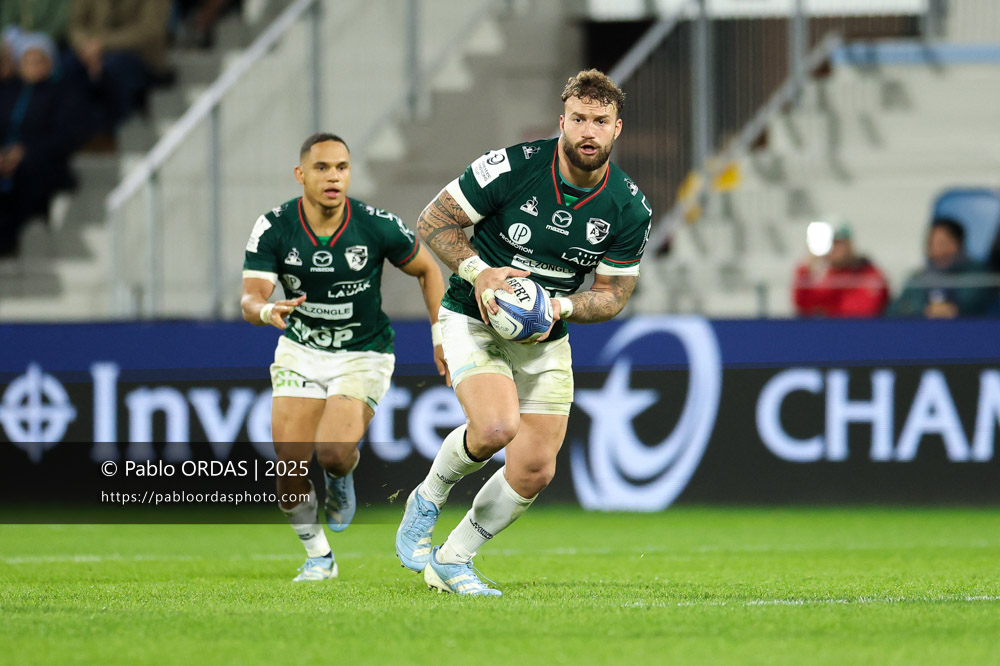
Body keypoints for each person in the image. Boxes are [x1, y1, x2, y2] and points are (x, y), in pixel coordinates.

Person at [395, 69, 652, 595]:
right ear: (562, 121)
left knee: (535, 469)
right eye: (578, 119)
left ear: (616, 129)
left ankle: (452, 560)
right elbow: (433, 221)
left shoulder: (629, 207)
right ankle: (427, 497)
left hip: (545, 333)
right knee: (494, 429)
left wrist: (556, 306)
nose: (588, 130)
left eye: (599, 122)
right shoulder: (513, 167)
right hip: (473, 314)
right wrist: (481, 273)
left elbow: (613, 295)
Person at [241, 133, 449, 582]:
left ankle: (340, 477)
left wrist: (441, 336)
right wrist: (265, 308)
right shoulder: (275, 227)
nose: (333, 176)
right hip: (301, 349)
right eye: (322, 168)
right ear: (301, 174)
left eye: (341, 167)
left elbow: (428, 268)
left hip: (363, 352)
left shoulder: (375, 224)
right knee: (289, 463)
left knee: (334, 452)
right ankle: (319, 557)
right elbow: (250, 297)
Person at [0, 31, 89, 256]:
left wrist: (24, 152)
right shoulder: (9, 92)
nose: (33, 66)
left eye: (39, 60)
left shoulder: (62, 94)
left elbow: (63, 137)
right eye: (27, 61)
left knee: (23, 181)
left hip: (42, 163)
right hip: (5, 161)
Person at [67, 0, 171, 131]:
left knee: (113, 69)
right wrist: (86, 47)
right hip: (92, 52)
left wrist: (102, 45)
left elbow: (149, 30)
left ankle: (120, 132)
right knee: (66, 67)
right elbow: (76, 24)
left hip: (140, 56)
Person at [888, 216, 995, 318]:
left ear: (957, 243)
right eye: (931, 242)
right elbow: (893, 311)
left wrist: (953, 310)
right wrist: (923, 310)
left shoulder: (977, 275)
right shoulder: (918, 278)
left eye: (941, 242)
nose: (935, 247)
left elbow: (977, 305)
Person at [793, 223, 889, 317]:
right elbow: (804, 306)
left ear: (848, 244)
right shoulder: (830, 276)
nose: (832, 249)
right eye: (828, 244)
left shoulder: (868, 274)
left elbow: (863, 312)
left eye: (836, 242)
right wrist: (806, 268)